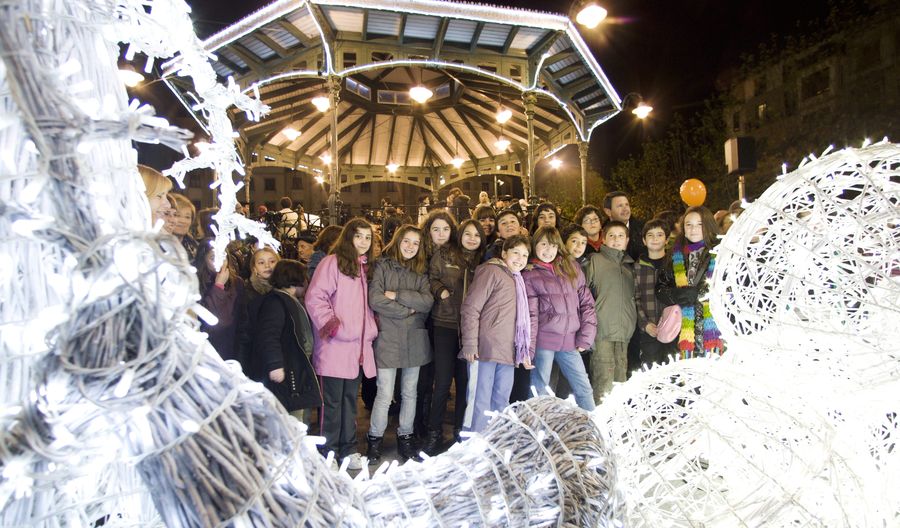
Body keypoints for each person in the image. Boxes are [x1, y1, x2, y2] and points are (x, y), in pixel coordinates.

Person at [305, 218, 378, 471]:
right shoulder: (332, 263)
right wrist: (331, 325)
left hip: (357, 350)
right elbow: (316, 297)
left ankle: (348, 449)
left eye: (368, 237)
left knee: (350, 402)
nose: (363, 242)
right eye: (358, 236)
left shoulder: (365, 268)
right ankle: (328, 452)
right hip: (334, 347)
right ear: (348, 237)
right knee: (331, 404)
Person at [366, 225, 434, 463]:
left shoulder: (421, 270)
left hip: (414, 339)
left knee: (410, 393)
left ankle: (405, 437)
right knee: (384, 393)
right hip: (388, 338)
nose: (410, 247)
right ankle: (374, 438)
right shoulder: (383, 266)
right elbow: (375, 299)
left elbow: (427, 301)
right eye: (406, 241)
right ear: (397, 241)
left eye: (415, 243)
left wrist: (396, 295)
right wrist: (408, 310)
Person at [424, 218, 485, 454]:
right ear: (460, 235)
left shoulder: (484, 261)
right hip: (445, 324)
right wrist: (442, 293)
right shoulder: (447, 254)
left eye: (477, 235)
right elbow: (431, 278)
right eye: (467, 233)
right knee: (442, 383)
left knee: (465, 384)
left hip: (471, 330)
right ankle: (434, 433)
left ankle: (461, 431)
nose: (472, 238)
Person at [460, 235, 533, 433]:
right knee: (479, 399)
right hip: (484, 349)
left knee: (501, 399)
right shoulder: (491, 271)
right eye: (515, 252)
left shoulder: (518, 279)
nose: (520, 258)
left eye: (525, 255)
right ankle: (471, 443)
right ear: (504, 253)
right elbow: (471, 308)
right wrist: (469, 344)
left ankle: (494, 442)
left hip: (507, 351)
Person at [522, 227, 597, 411]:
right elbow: (530, 316)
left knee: (584, 387)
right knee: (540, 391)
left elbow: (587, 303)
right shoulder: (530, 274)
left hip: (570, 341)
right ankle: (537, 431)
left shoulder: (571, 267)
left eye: (553, 245)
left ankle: (593, 427)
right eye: (543, 244)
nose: (548, 250)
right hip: (544, 342)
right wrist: (528, 350)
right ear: (535, 245)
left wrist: (585, 336)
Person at [254, 260, 322, 423]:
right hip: (288, 367)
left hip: (294, 366)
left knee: (297, 412)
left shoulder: (285, 300)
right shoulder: (276, 302)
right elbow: (269, 335)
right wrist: (275, 364)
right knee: (292, 417)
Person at [657, 206, 723, 358]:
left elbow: (731, 289)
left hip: (714, 328)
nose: (693, 229)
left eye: (699, 224)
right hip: (682, 330)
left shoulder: (721, 253)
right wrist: (677, 294)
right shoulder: (674, 254)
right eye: (689, 224)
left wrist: (701, 294)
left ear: (708, 225)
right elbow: (660, 288)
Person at [585, 220, 636, 404]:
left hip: (624, 333)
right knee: (603, 384)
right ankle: (600, 427)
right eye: (611, 236)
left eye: (621, 236)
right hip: (602, 332)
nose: (616, 240)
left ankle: (617, 427)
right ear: (604, 239)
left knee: (620, 384)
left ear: (627, 240)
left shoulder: (630, 266)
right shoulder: (595, 261)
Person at [194, 242, 245, 364]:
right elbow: (206, 319)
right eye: (213, 258)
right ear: (204, 260)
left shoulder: (236, 282)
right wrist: (218, 286)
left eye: (223, 257)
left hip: (231, 349)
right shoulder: (196, 282)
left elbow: (241, 321)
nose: (219, 261)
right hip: (206, 350)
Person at [634, 219, 675, 366]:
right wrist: (645, 324)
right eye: (650, 235)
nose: (655, 239)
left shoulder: (675, 264)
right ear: (644, 240)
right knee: (651, 371)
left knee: (675, 371)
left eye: (659, 235)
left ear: (667, 239)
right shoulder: (637, 268)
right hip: (650, 331)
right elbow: (636, 299)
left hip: (674, 328)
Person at [168, 193, 199, 259]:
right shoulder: (156, 245)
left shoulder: (196, 249)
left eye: (187, 217)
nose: (183, 221)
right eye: (177, 215)